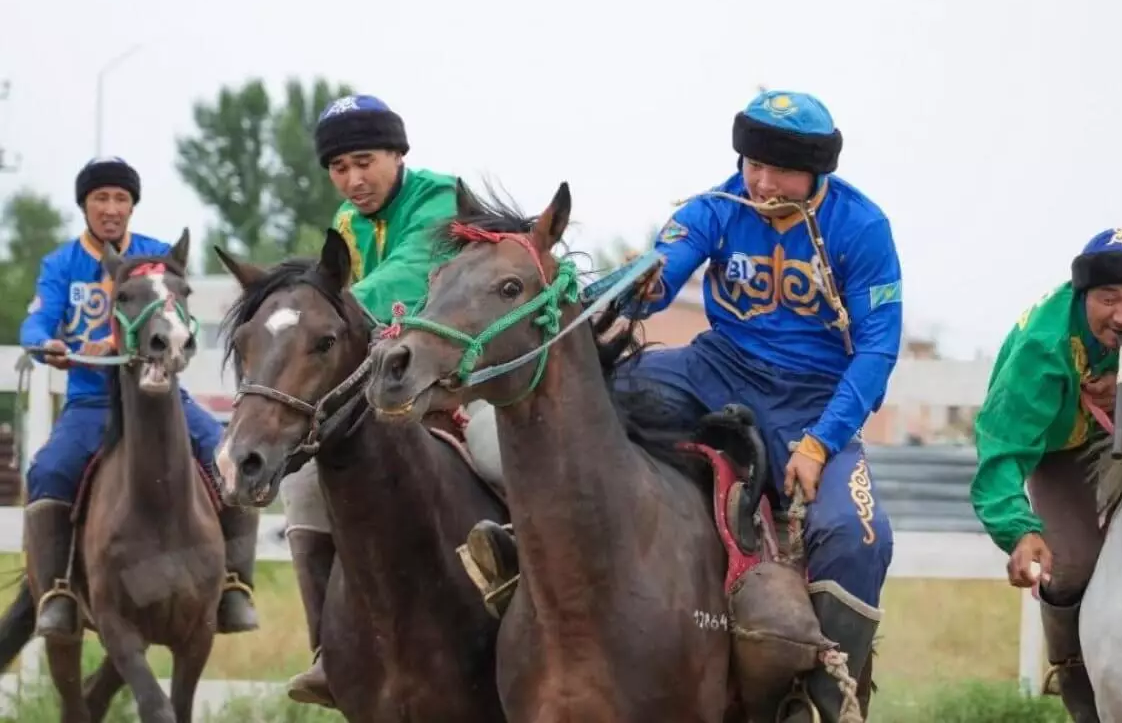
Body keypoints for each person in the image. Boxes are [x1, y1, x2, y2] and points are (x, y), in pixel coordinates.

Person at [463, 89, 903, 720]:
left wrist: (820, 442)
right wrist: (638, 285)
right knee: (584, 400)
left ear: (818, 172)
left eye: (778, 169)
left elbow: (878, 351)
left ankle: (822, 697)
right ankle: (522, 548)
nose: (760, 181)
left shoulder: (862, 228)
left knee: (859, 536)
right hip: (714, 366)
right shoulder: (716, 206)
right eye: (752, 163)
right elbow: (663, 268)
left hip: (813, 398)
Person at [19, 156, 260, 640]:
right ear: (84, 205)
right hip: (92, 400)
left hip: (162, 396)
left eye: (121, 199)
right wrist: (51, 347)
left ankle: (234, 583)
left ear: (132, 206)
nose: (111, 208)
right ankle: (57, 593)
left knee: (228, 460)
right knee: (48, 471)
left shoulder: (154, 255)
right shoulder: (61, 264)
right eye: (100, 198)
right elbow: (37, 323)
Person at [281, 94, 461, 707]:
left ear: (397, 154)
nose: (354, 180)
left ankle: (540, 617)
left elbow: (410, 273)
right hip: (388, 388)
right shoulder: (344, 225)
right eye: (339, 168)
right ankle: (330, 654)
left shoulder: (441, 197)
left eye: (365, 162)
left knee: (500, 454)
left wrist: (327, 315)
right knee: (302, 482)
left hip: (467, 381)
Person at [971, 227, 1122, 722]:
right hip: (1057, 447)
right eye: (1108, 298)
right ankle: (1075, 676)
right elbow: (1001, 450)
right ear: (1082, 294)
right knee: (1069, 563)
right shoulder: (1041, 347)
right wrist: (1019, 530)